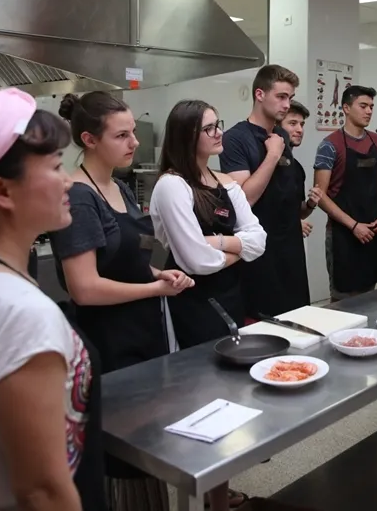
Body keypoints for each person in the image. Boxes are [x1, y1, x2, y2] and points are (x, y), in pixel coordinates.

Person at [0, 88, 103, 511]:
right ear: (2, 191)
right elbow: (42, 491)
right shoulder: (18, 314)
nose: (67, 181)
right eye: (55, 166)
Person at [50, 91, 195, 509]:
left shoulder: (119, 187)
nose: (134, 143)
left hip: (142, 335)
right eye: (122, 135)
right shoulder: (80, 197)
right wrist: (154, 289)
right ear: (89, 140)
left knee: (147, 447)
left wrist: (157, 273)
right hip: (110, 342)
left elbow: (126, 259)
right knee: (120, 456)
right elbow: (86, 287)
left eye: (133, 133)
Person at [149, 100, 266, 511]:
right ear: (187, 135)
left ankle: (218, 491)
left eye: (219, 126)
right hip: (191, 303)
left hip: (230, 295)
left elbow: (259, 239)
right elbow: (193, 261)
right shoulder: (171, 186)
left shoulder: (227, 182)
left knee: (228, 397)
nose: (220, 133)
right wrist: (233, 248)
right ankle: (199, 494)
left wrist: (217, 244)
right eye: (210, 128)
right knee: (197, 399)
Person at [220, 64, 309, 316]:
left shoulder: (280, 134)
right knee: (263, 324)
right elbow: (244, 199)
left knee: (297, 317)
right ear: (260, 95)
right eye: (280, 97)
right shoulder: (235, 139)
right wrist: (272, 156)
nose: (286, 104)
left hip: (290, 248)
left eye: (290, 98)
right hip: (259, 253)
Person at [314, 86, 377, 300]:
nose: (369, 111)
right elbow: (320, 195)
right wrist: (353, 225)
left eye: (371, 107)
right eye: (363, 106)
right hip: (343, 235)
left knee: (371, 296)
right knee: (343, 300)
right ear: (346, 108)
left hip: (374, 231)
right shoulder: (330, 146)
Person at [279, 100, 323, 239]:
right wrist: (292, 224)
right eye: (292, 123)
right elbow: (259, 211)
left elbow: (299, 213)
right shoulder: (267, 164)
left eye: (301, 124)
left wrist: (310, 204)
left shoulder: (296, 168)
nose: (300, 130)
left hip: (292, 245)